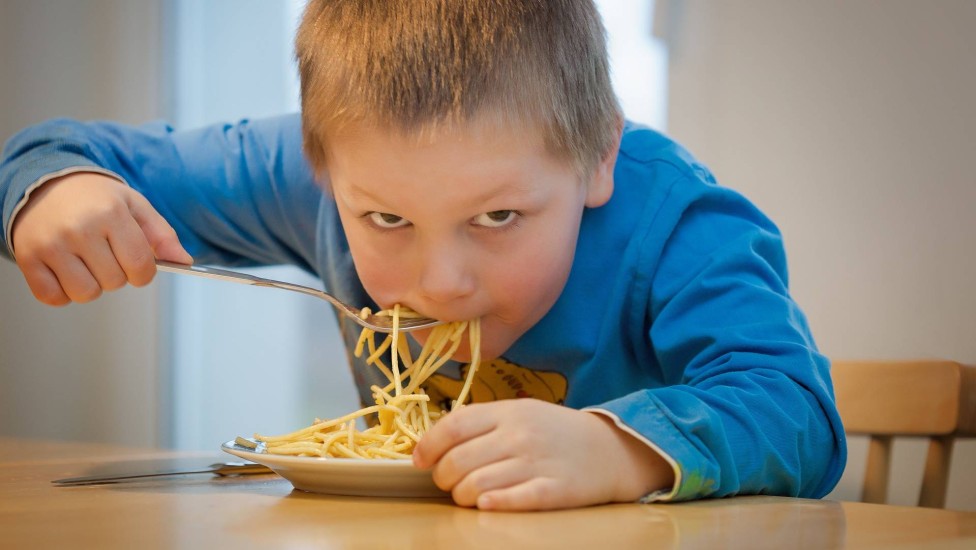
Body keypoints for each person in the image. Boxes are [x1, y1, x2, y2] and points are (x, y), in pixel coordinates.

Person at [0, 0, 846, 511]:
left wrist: (614, 450)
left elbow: (797, 412)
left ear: (597, 160)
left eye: (500, 216)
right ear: (325, 171)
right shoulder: (316, 171)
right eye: (386, 220)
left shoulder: (677, 223)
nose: (441, 285)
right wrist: (53, 191)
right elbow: (63, 151)